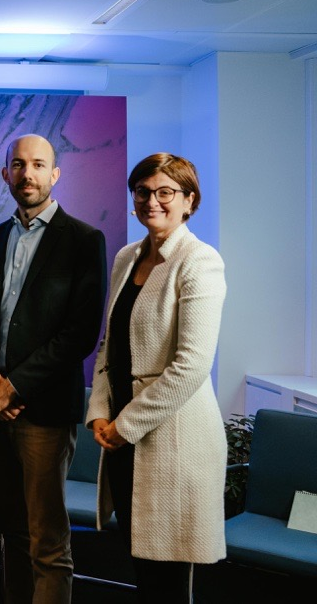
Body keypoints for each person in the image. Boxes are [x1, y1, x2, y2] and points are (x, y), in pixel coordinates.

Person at [87, 153, 226, 603]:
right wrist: (99, 412)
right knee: (142, 568)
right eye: (143, 191)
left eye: (165, 192)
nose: (152, 201)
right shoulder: (126, 257)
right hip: (123, 439)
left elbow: (192, 365)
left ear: (189, 201)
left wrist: (124, 426)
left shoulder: (200, 260)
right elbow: (110, 344)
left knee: (169, 581)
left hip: (174, 442)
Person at [0, 133, 107, 604]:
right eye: (18, 164)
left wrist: (15, 387)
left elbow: (80, 333)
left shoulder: (84, 240)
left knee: (47, 541)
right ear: (5, 174)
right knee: (10, 532)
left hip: (44, 413)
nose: (26, 173)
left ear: (55, 174)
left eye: (37, 164)